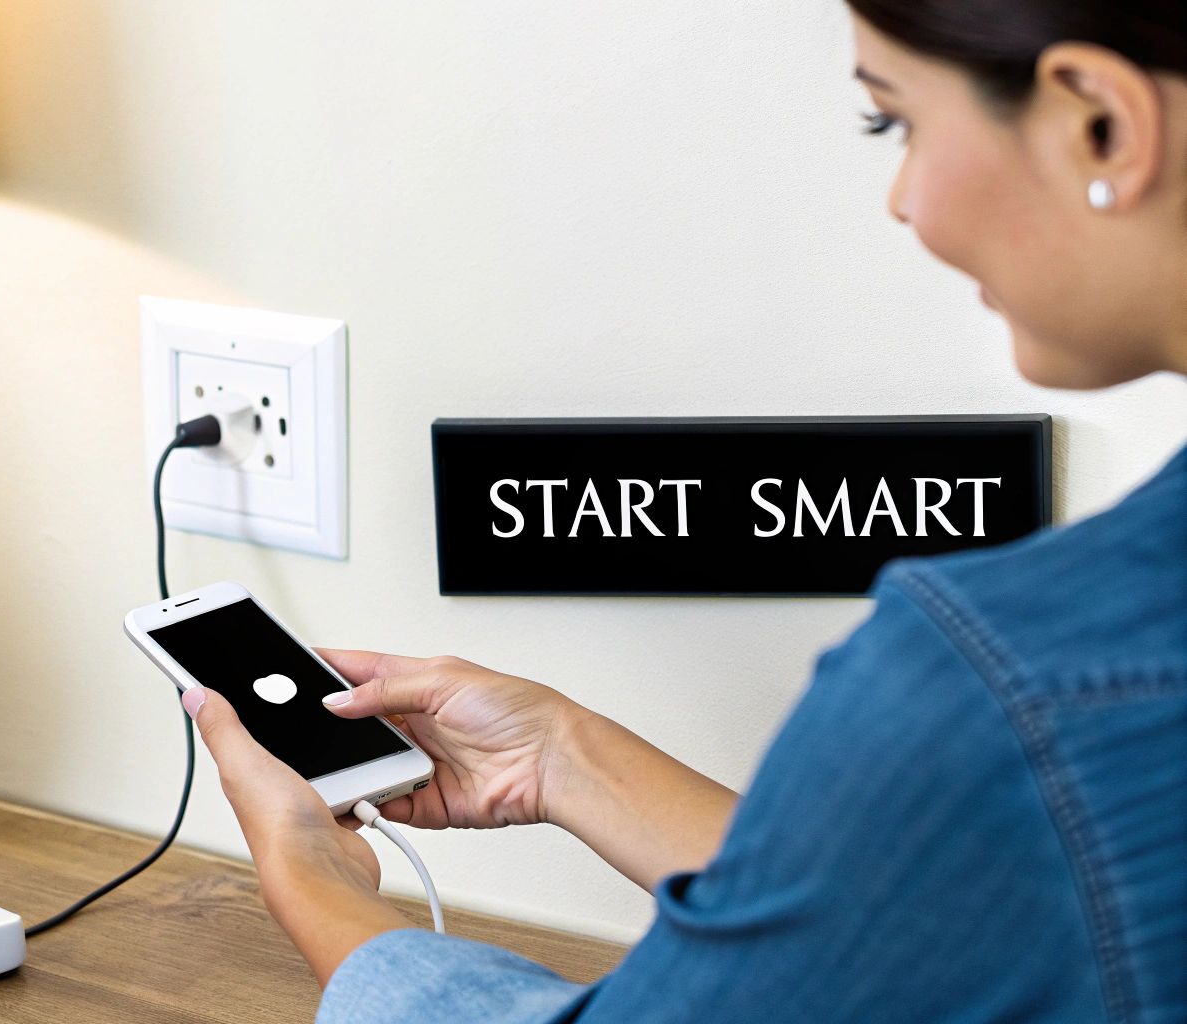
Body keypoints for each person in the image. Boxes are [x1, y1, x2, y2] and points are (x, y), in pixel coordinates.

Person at [179, 3, 1187, 1020]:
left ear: (1098, 121)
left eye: (894, 123)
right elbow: (922, 915)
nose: (901, 202)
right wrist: (558, 754)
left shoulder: (1004, 674)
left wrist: (304, 866)